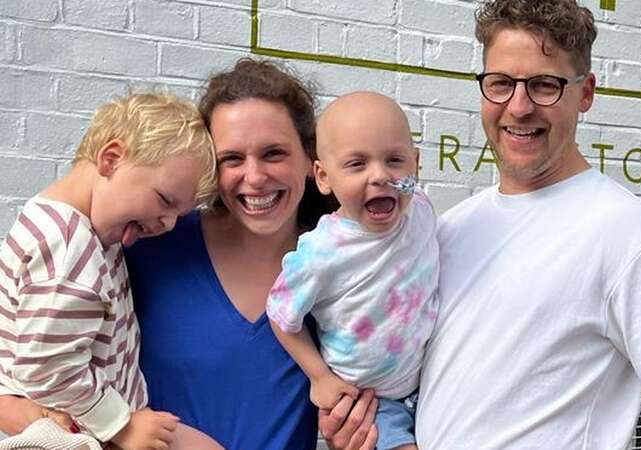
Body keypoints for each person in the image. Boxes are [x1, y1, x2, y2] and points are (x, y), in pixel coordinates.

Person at [323, 1, 641, 449]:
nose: (518, 107)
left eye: (544, 85)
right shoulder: (450, 228)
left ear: (585, 93)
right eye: (501, 83)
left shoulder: (628, 234)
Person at [0, 59, 381, 450]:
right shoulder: (143, 240)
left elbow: (376, 402)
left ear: (309, 162)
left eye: (273, 153)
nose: (253, 177)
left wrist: (348, 434)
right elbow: (26, 348)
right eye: (231, 159)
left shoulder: (350, 270)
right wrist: (44, 418)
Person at [0, 93, 222, 450]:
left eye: (178, 215)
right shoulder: (69, 248)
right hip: (84, 431)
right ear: (111, 159)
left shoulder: (78, 226)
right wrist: (122, 426)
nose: (166, 224)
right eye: (165, 201)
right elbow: (46, 370)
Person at [267, 92, 438, 450]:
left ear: (416, 164)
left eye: (395, 160)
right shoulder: (322, 251)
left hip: (433, 381)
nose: (380, 176)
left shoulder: (420, 210)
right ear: (324, 177)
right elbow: (281, 315)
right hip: (370, 401)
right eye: (357, 164)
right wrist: (319, 377)